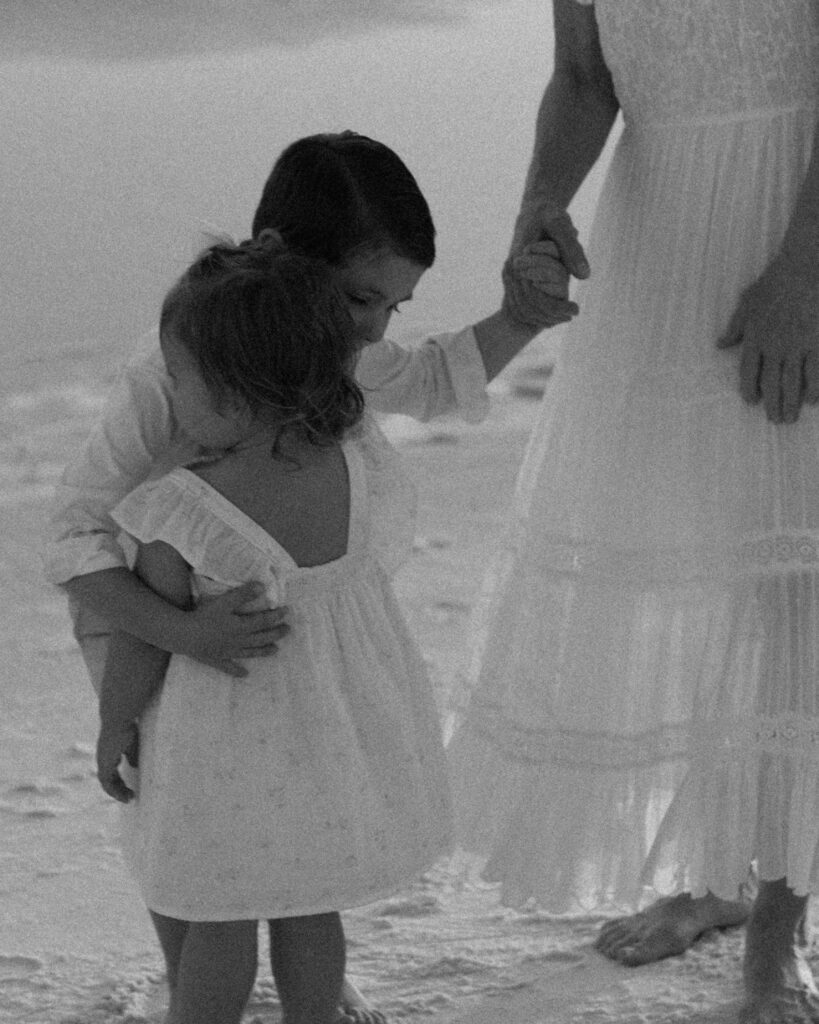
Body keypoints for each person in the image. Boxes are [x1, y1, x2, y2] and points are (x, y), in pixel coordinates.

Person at [44, 130, 573, 1021]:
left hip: (267, 637)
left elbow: (436, 378)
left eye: (393, 308)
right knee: (182, 845)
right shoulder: (179, 371)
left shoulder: (327, 354)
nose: (371, 329)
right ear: (286, 266)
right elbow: (75, 538)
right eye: (363, 296)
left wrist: (519, 317)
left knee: (279, 834)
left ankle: (278, 977)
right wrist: (168, 644)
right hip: (140, 608)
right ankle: (197, 978)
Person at [447, 1, 819, 1020]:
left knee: (792, 585)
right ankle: (717, 873)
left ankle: (778, 938)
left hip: (796, 225)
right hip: (660, 240)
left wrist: (803, 271)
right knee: (694, 556)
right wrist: (536, 216)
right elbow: (583, 78)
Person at [94, 234, 459, 1024]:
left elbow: (142, 637)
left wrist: (112, 723)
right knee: (307, 905)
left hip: (223, 753)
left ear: (229, 389)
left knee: (221, 918)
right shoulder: (358, 468)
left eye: (178, 377)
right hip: (331, 740)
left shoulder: (184, 508)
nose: (171, 396)